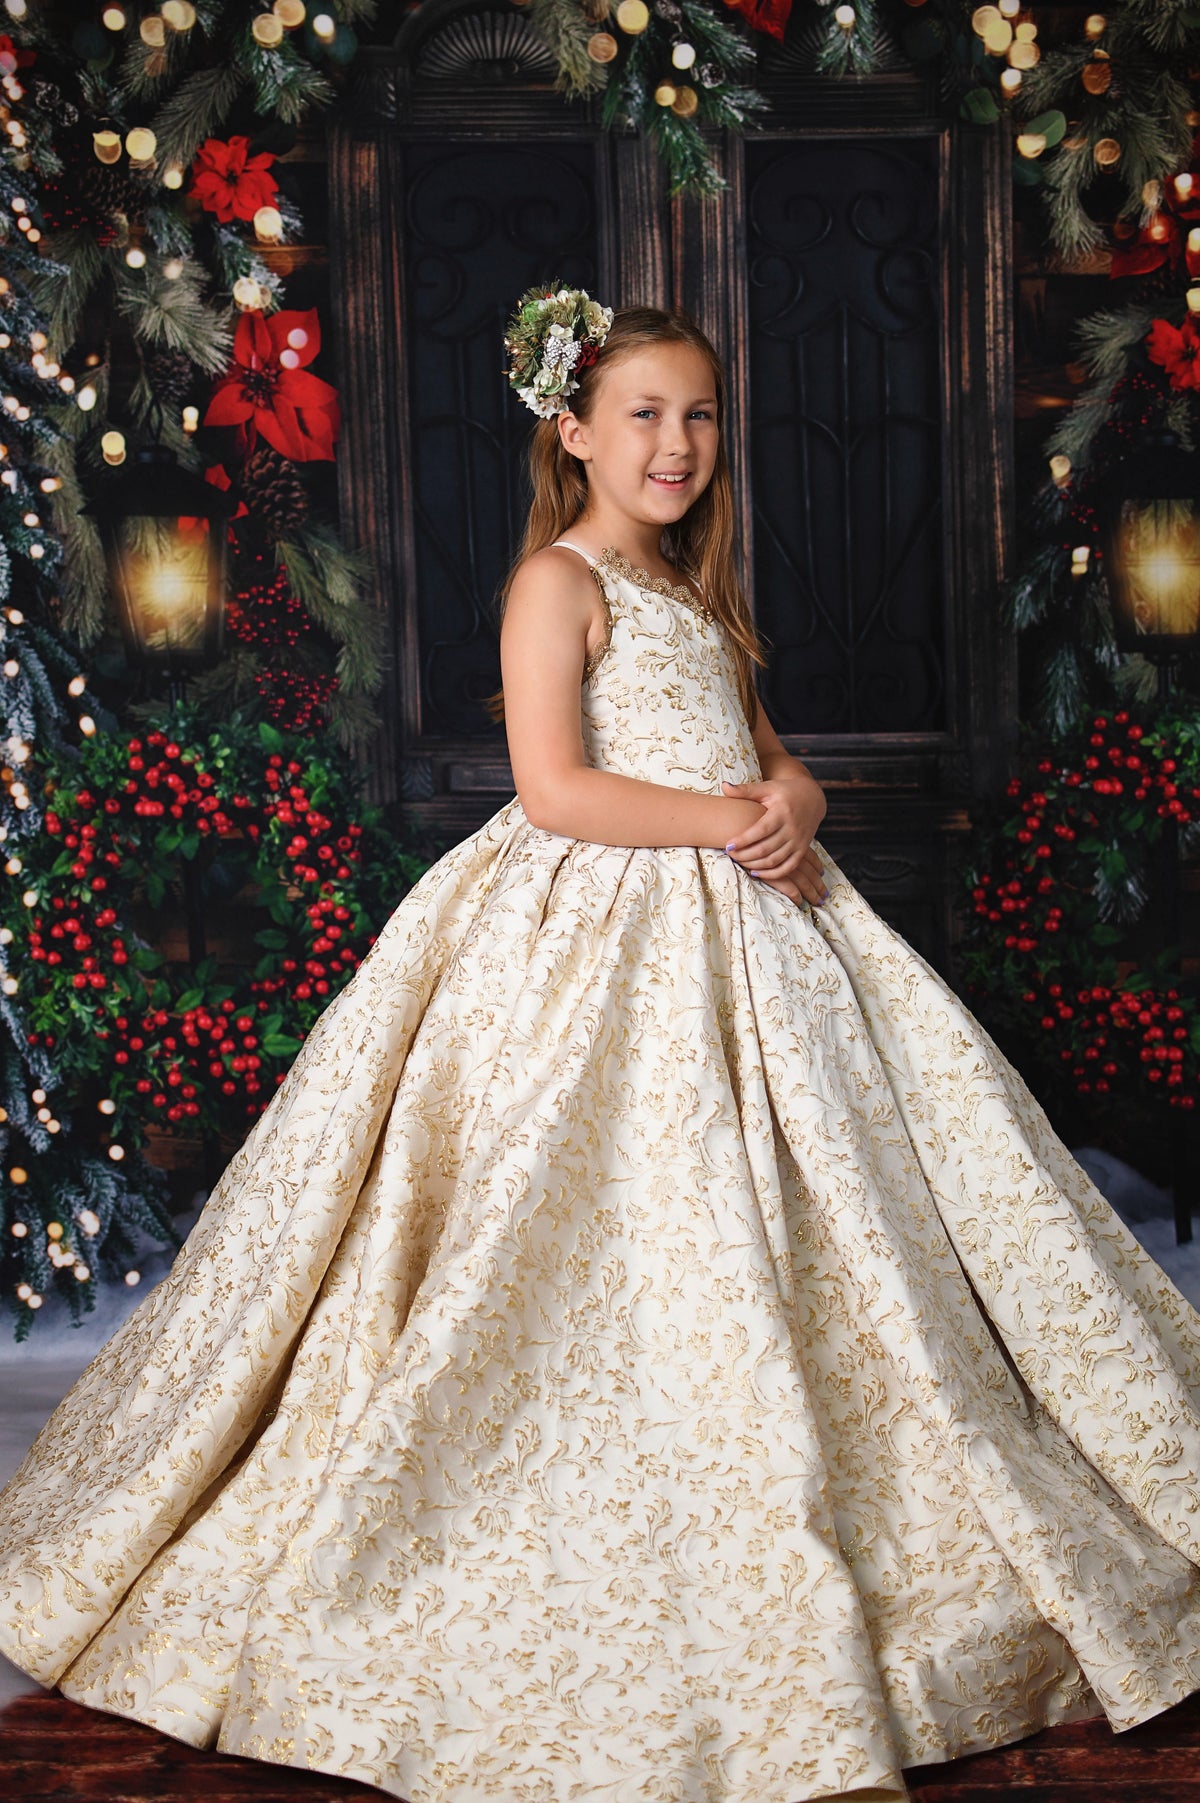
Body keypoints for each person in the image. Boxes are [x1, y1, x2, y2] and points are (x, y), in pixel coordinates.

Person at [2, 286, 1200, 1803]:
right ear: (571, 432)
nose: (678, 443)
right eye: (643, 414)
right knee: (585, 1215)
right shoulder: (558, 584)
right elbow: (556, 786)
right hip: (594, 940)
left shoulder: (698, 593)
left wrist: (796, 807)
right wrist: (724, 822)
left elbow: (768, 756)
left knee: (843, 1214)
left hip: (761, 935)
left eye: (700, 416)